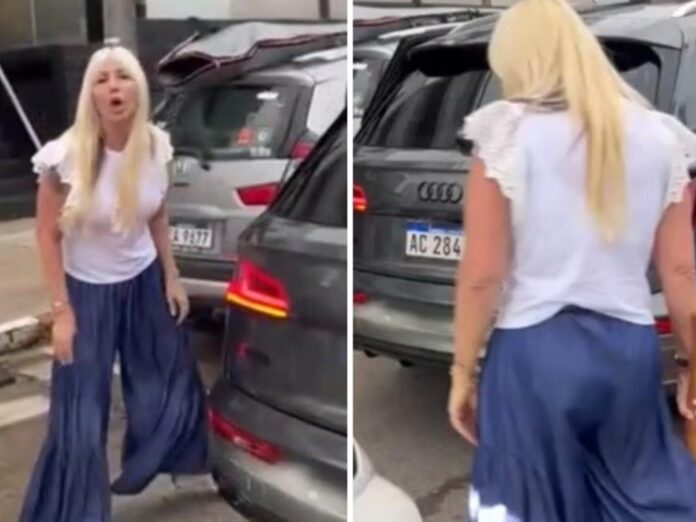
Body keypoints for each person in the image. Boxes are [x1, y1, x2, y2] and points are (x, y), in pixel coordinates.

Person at [447, 0, 696, 520]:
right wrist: (691, 361)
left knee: (526, 505)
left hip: (532, 352)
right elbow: (680, 270)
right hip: (628, 350)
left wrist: (462, 372)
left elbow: (482, 275)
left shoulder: (505, 134)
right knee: (633, 498)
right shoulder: (663, 139)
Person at [21, 44, 209, 522]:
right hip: (86, 291)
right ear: (91, 94)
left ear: (137, 88)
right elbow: (46, 234)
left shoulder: (155, 146)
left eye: (121, 77)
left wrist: (171, 276)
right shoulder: (64, 157)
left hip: (143, 280)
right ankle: (72, 511)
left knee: (167, 377)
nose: (113, 88)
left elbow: (157, 214)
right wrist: (61, 312)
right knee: (81, 413)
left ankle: (162, 461)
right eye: (101, 80)